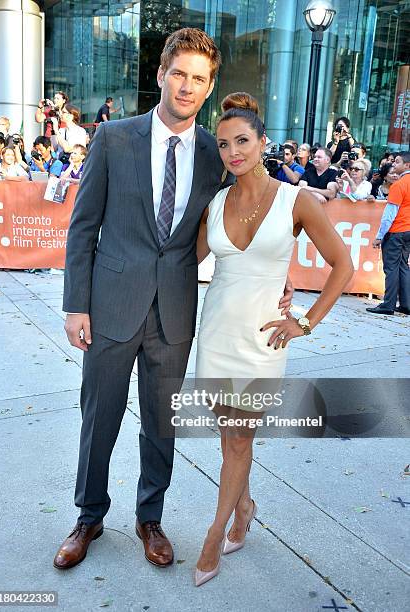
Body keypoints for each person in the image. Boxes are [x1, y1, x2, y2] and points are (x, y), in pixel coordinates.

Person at [53, 28, 294, 573]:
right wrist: (76, 305)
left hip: (175, 314)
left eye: (200, 79)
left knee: (161, 422)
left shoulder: (217, 151)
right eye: (179, 73)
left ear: (210, 89)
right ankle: (88, 517)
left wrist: (277, 274)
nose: (188, 86)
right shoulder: (114, 137)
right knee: (100, 419)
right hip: (112, 307)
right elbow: (83, 226)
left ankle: (150, 518)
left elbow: (254, 210)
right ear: (161, 74)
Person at [194, 92, 353, 587]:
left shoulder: (296, 199)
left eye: (242, 140)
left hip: (264, 341)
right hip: (216, 333)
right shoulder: (216, 202)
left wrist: (304, 323)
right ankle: (245, 508)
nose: (232, 151)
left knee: (240, 438)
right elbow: (184, 263)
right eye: (223, 144)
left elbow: (343, 266)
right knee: (230, 439)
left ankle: (213, 535)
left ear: (263, 142)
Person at [367, 151, 410, 316]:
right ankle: (406, 304)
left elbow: (389, 215)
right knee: (403, 266)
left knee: (391, 268)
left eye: (397, 162)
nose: (394, 165)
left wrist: (379, 236)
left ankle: (388, 304)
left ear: (407, 165)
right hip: (408, 231)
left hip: (397, 231)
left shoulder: (399, 185)